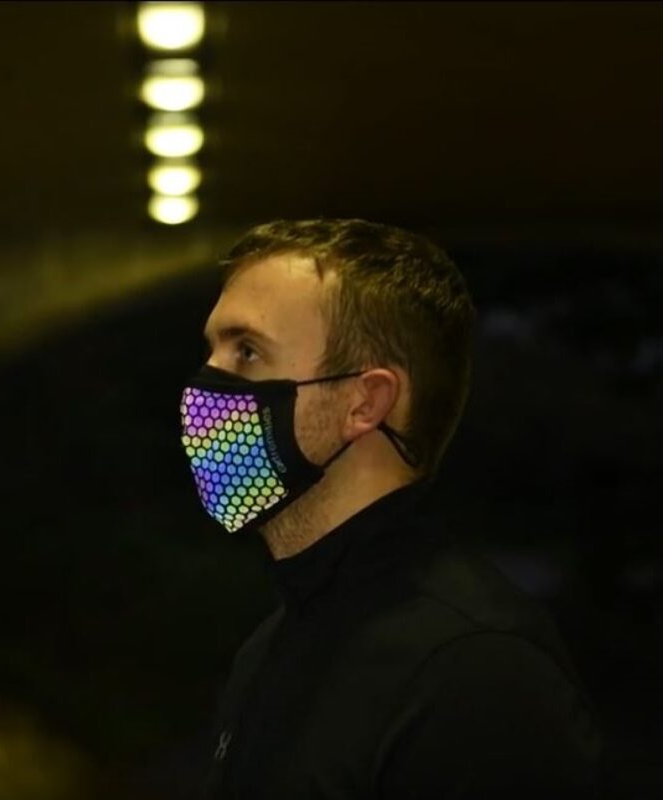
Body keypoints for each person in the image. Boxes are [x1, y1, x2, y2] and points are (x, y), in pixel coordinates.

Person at [178, 219, 605, 799]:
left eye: (248, 351)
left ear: (365, 401)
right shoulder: (276, 642)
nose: (204, 387)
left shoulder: (471, 670)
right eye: (213, 350)